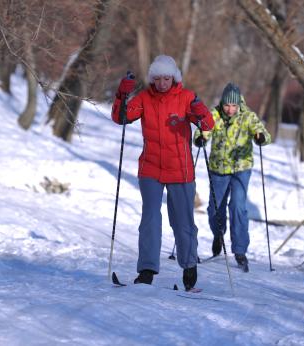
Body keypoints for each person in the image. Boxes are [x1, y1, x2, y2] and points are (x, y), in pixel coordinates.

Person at [111, 55, 214, 290]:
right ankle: (146, 271)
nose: (162, 83)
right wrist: (121, 95)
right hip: (151, 167)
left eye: (167, 78)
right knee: (150, 218)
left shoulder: (187, 98)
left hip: (181, 169)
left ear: (174, 77)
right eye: (157, 79)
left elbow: (208, 125)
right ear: (152, 79)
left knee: (183, 221)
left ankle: (189, 269)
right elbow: (121, 117)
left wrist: (199, 110)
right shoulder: (145, 98)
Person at [193, 82, 271, 270]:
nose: (230, 109)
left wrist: (260, 137)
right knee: (214, 208)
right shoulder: (214, 114)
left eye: (234, 106)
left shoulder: (248, 117)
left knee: (237, 206)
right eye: (227, 105)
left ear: (239, 104)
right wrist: (201, 138)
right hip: (218, 169)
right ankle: (218, 234)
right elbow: (202, 130)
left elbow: (263, 134)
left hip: (241, 168)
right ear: (223, 103)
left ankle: (240, 250)